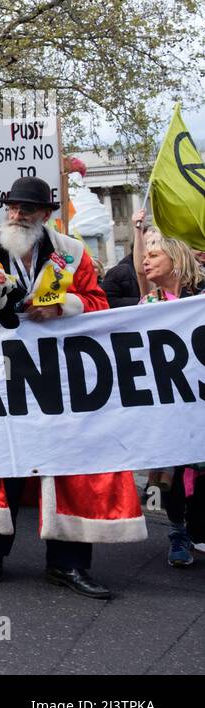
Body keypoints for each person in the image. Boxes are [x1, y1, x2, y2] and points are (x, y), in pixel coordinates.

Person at [0, 176, 139, 599]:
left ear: (46, 214)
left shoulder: (71, 252)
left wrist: (63, 306)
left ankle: (68, 566)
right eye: (12, 207)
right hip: (2, 377)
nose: (17, 215)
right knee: (5, 463)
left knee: (67, 466)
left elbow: (97, 304)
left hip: (60, 377)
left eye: (26, 209)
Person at [131, 209, 204, 567]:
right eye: (144, 255)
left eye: (153, 254)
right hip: (167, 404)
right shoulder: (149, 305)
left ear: (175, 260)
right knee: (171, 473)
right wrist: (139, 232)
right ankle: (178, 533)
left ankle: (196, 527)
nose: (146, 260)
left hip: (200, 401)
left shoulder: (199, 300)